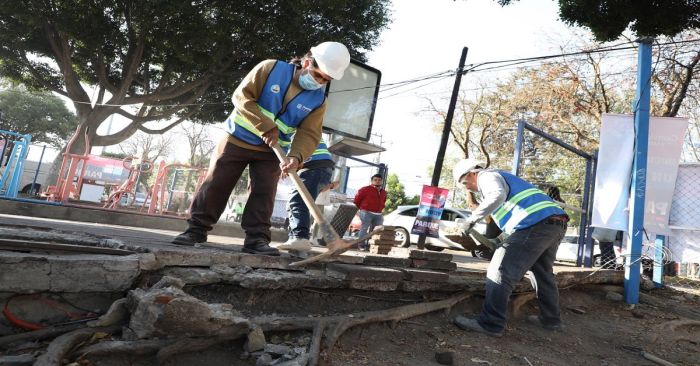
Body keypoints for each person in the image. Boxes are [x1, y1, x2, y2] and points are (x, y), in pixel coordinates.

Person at [171, 42, 351, 256]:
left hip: (271, 152)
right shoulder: (271, 68)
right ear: (306, 62)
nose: (319, 82)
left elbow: (309, 133)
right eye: (317, 75)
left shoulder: (319, 100)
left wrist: (296, 157)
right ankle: (196, 230)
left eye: (325, 80)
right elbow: (241, 97)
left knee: (264, 192)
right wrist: (265, 125)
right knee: (217, 183)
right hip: (237, 138)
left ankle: (257, 239)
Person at [451, 158, 568, 337]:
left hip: (534, 224)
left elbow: (497, 195)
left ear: (472, 173)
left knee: (500, 270)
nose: (467, 188)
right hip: (554, 225)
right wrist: (499, 240)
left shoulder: (486, 176)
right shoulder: (505, 179)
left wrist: (471, 220)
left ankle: (491, 323)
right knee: (542, 273)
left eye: (465, 183)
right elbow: (511, 217)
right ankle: (551, 320)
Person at [278, 139, 336, 252]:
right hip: (321, 168)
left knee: (297, 202)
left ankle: (300, 238)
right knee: (298, 202)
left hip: (313, 167)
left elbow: (288, 147)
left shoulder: (291, 128)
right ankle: (297, 239)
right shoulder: (308, 127)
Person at [353, 173, 387, 250]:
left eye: (379, 180)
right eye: (375, 180)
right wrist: (361, 210)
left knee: (376, 230)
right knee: (364, 229)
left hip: (378, 214)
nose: (377, 181)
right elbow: (356, 201)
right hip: (366, 212)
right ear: (372, 181)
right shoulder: (364, 189)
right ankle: (361, 245)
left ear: (382, 181)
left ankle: (371, 246)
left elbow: (383, 201)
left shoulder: (384, 192)